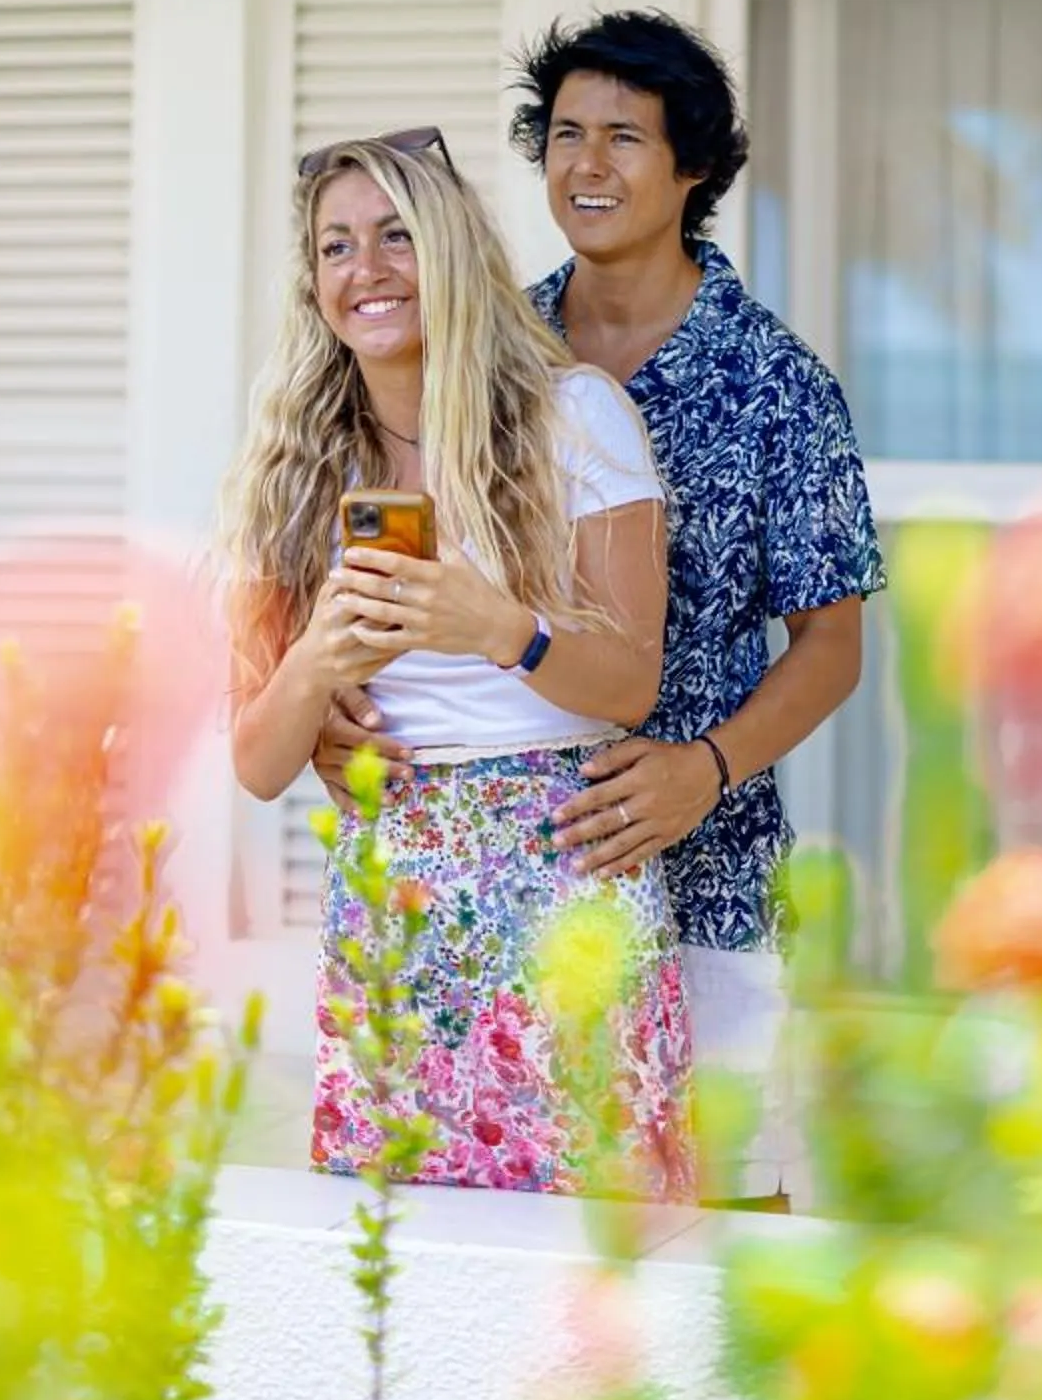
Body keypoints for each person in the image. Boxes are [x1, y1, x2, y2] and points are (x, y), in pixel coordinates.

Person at [319, 15, 884, 1203]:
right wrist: (336, 712)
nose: (586, 164)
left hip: (706, 860)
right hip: (508, 875)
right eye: (565, 133)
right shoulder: (478, 340)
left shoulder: (774, 382)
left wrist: (706, 767)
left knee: (725, 1221)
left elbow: (831, 647)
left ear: (694, 170)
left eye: (624, 137)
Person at [221, 129, 692, 1198]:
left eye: (396, 237)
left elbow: (630, 685)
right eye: (335, 248)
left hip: (568, 870)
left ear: (452, 257)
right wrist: (314, 663)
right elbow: (254, 759)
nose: (367, 270)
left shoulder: (575, 417)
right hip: (399, 891)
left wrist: (496, 626)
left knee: (595, 1243)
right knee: (408, 1245)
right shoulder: (297, 464)